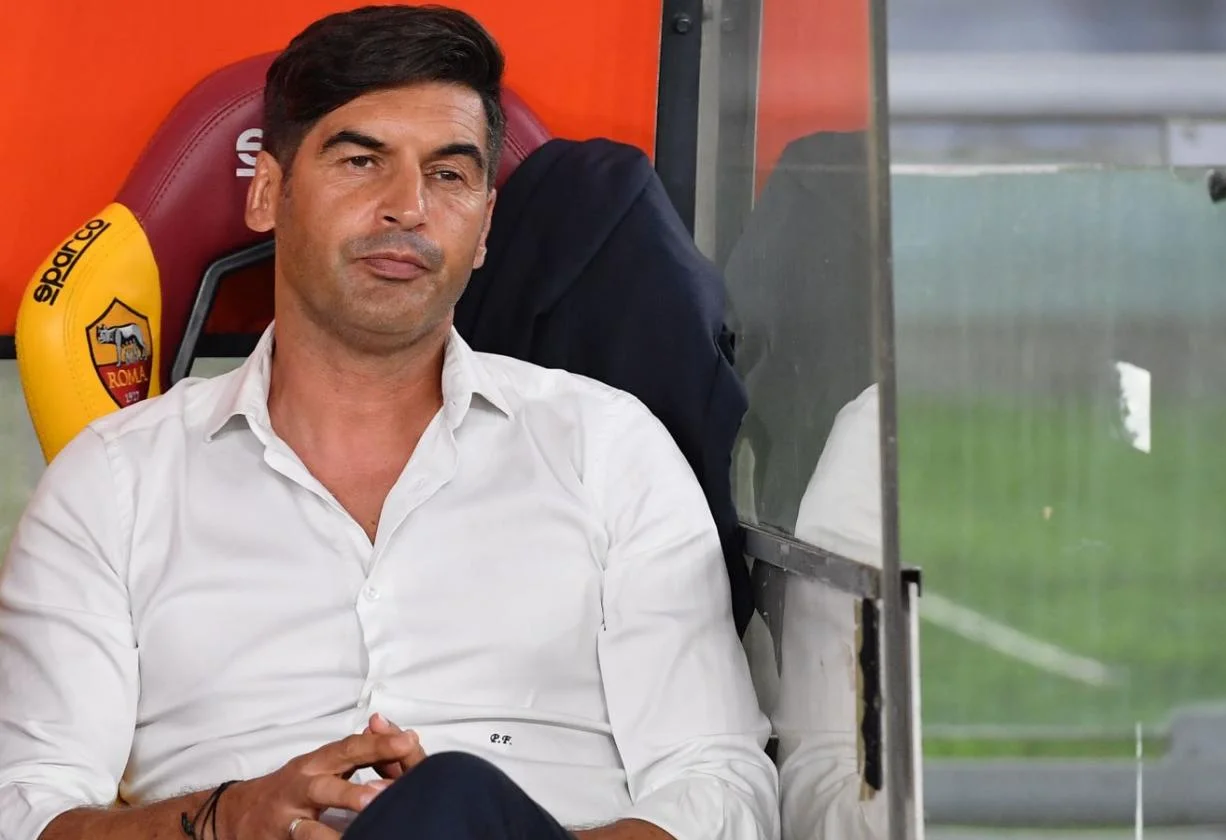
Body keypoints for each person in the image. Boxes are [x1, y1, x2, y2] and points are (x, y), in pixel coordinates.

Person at [0, 6, 777, 840]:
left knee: (451, 802)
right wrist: (226, 819)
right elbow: (24, 808)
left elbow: (720, 785)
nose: (408, 206)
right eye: (361, 161)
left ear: (485, 226)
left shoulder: (609, 447)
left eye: (449, 174)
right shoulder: (113, 483)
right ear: (266, 193)